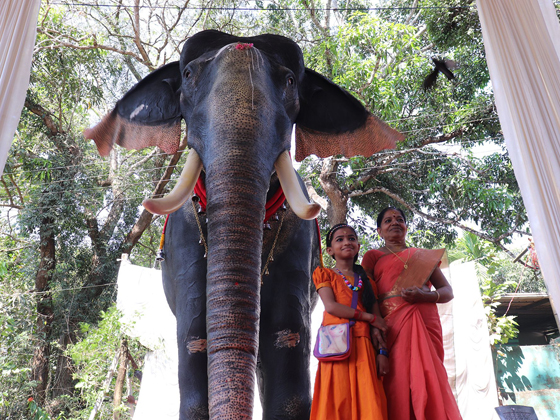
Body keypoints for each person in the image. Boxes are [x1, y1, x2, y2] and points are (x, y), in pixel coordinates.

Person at [362, 207, 463, 420]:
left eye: (399, 219)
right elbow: (367, 295)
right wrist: (373, 325)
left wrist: (424, 296)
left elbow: (447, 292)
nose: (395, 223)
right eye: (388, 221)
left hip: (425, 319)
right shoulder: (372, 257)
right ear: (379, 230)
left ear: (406, 227)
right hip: (391, 326)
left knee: (428, 375)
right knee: (396, 380)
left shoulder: (423, 256)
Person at [310, 223, 389, 420]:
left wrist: (382, 353)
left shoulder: (368, 282)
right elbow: (331, 307)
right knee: (338, 402)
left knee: (368, 402)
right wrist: (367, 317)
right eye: (340, 239)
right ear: (330, 250)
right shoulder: (324, 274)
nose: (347, 242)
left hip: (364, 346)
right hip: (336, 345)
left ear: (358, 246)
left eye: (351, 238)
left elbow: (378, 325)